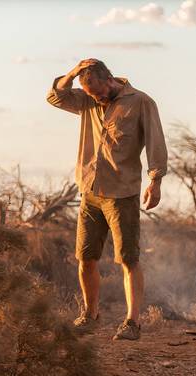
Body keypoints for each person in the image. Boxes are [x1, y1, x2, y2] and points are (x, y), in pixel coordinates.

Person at [47, 58, 167, 341]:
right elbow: (55, 96)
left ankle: (132, 323)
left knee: (128, 259)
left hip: (121, 193)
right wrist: (74, 72)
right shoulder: (86, 101)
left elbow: (156, 142)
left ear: (109, 79)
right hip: (89, 191)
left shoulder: (141, 102)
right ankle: (90, 315)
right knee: (85, 257)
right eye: (90, 94)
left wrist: (156, 181)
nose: (96, 98)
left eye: (99, 92)